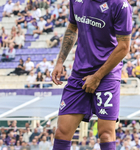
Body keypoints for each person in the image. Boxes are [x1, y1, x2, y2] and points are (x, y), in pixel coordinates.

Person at [51, 0, 132, 149]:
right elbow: (72, 28)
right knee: (61, 132)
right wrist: (59, 61)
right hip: (79, 74)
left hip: (107, 74)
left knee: (106, 134)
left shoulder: (120, 5)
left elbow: (124, 46)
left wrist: (97, 77)